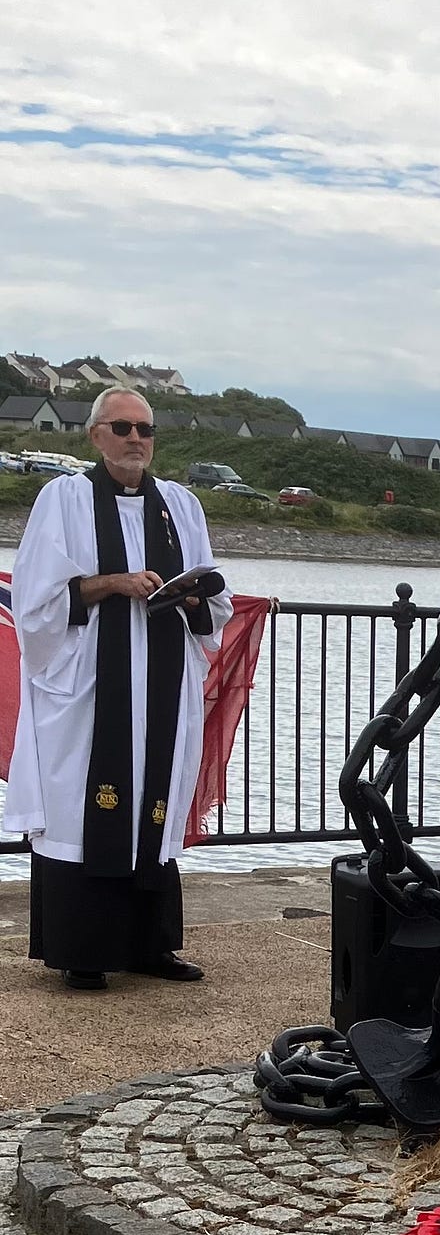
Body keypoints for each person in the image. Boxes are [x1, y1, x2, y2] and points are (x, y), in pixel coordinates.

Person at [4, 389, 232, 991]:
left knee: (152, 798)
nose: (137, 439)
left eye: (146, 430)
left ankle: (150, 946)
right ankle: (83, 951)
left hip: (160, 675)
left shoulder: (180, 505)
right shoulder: (65, 499)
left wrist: (190, 594)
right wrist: (113, 583)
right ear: (96, 436)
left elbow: (216, 598)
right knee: (86, 802)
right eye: (124, 428)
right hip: (87, 681)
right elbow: (36, 597)